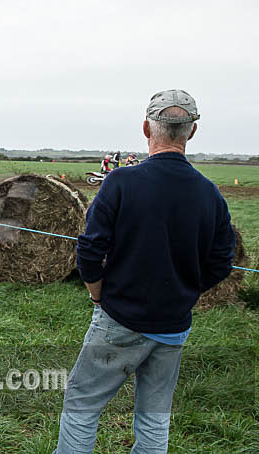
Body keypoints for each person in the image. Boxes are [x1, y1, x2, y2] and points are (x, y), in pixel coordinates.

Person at [54, 89, 235, 454]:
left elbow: (89, 249)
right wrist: (187, 291)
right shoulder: (210, 194)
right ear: (192, 132)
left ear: (146, 129)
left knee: (82, 403)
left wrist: (96, 292)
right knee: (154, 417)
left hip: (119, 317)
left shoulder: (121, 182)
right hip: (173, 324)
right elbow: (221, 262)